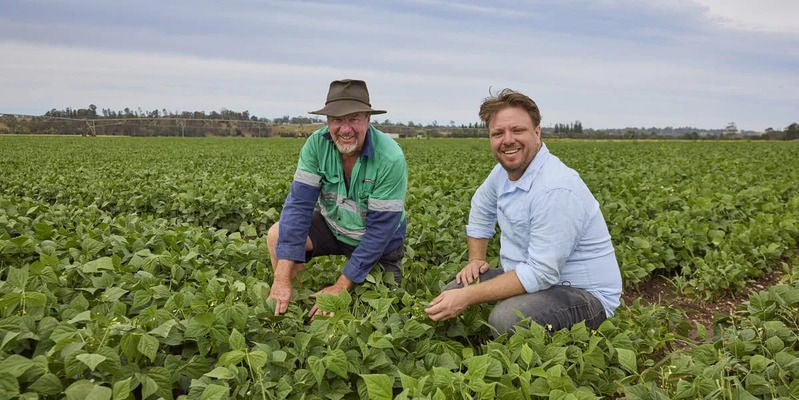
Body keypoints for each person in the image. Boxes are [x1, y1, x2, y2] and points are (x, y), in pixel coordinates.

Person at [425, 89, 622, 336]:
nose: (508, 140)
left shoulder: (555, 188)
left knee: (507, 318)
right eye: (498, 133)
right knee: (452, 291)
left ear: (537, 133)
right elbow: (481, 207)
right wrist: (476, 260)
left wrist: (469, 296)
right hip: (533, 279)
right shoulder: (502, 174)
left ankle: (561, 345)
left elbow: (541, 272)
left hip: (583, 295)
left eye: (517, 130)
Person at [266, 79, 408, 319]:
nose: (345, 129)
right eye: (337, 119)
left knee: (377, 309)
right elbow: (298, 207)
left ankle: (338, 295)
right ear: (327, 121)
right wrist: (280, 279)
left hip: (379, 242)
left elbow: (379, 233)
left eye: (354, 119)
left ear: (368, 119)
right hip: (334, 227)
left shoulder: (390, 157)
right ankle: (295, 306)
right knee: (277, 234)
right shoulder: (316, 145)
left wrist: (340, 286)